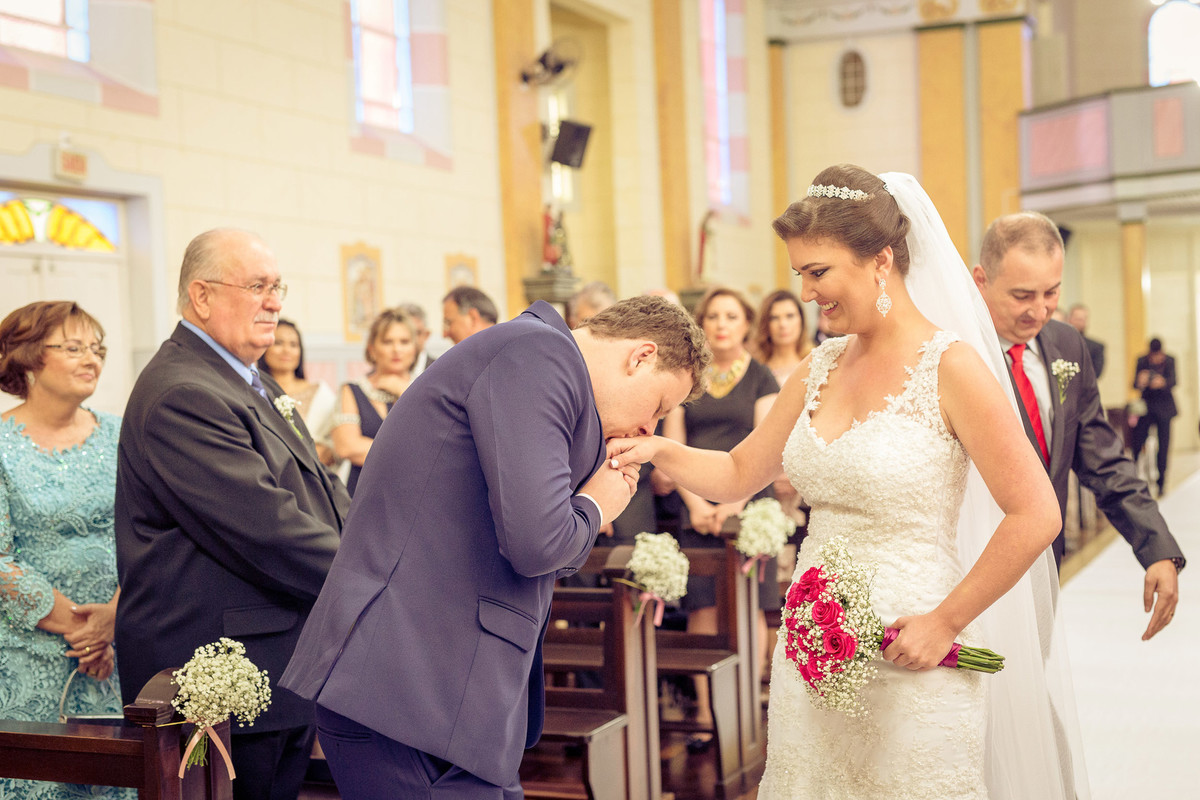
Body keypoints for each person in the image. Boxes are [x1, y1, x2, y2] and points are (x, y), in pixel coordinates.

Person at [611, 167, 1088, 799]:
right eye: (800, 275)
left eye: (818, 272)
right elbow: (736, 474)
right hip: (811, 655)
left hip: (913, 654)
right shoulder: (820, 366)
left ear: (879, 261)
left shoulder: (952, 368)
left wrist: (947, 621)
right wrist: (659, 448)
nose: (806, 293)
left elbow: (1035, 514)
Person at [280, 296, 709, 800]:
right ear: (640, 356)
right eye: (658, 406)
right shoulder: (538, 355)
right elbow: (539, 543)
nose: (648, 429)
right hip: (406, 680)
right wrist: (594, 505)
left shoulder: (542, 361)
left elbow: (552, 551)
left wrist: (582, 514)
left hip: (446, 690)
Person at [115, 229, 349, 800]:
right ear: (201, 297)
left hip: (276, 662)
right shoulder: (184, 392)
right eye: (258, 286)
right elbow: (268, 529)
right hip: (225, 672)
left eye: (277, 287)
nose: (275, 301)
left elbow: (318, 490)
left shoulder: (246, 378)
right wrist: (381, 577)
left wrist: (377, 541)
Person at [973, 212, 1184, 639]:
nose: (1039, 310)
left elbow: (1102, 458)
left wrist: (1157, 547)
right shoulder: (957, 350)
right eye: (1021, 295)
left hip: (1046, 558)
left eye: (1051, 292)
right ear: (981, 280)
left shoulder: (1066, 343)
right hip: (969, 562)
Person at [0, 301, 133, 800]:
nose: (91, 359)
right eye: (73, 348)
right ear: (28, 357)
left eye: (97, 349)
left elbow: (152, 535)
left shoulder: (122, 435)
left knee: (118, 780)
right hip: (26, 652)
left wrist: (114, 618)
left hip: (118, 648)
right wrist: (85, 630)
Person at [660, 286, 779, 749]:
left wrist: (732, 503)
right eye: (713, 316)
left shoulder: (762, 377)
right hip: (698, 508)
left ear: (747, 323)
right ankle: (708, 717)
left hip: (749, 508)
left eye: (731, 315)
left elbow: (768, 444)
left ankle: (744, 711)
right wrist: (697, 506)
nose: (722, 323)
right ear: (702, 324)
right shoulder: (691, 377)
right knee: (702, 609)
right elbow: (673, 444)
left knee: (747, 609)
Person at [332, 307, 418, 496]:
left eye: (404, 342)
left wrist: (404, 392)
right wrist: (411, 454)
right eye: (388, 342)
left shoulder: (427, 390)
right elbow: (347, 447)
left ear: (415, 348)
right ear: (372, 348)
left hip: (415, 493)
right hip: (366, 493)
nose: (397, 349)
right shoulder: (352, 390)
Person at [259, 318, 338, 467]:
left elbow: (334, 442)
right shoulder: (254, 390)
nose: (286, 350)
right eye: (278, 343)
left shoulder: (320, 392)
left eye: (293, 345)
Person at [1131, 337, 1177, 496]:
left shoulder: (1170, 360)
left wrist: (1162, 382)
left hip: (1165, 409)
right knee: (1137, 442)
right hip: (1147, 408)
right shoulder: (1142, 361)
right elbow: (1134, 384)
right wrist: (1141, 381)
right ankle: (1136, 477)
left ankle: (1161, 482)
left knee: (1163, 446)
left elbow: (1175, 381)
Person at [755, 288, 814, 386]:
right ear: (765, 323)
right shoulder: (756, 369)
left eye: (790, 316)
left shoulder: (817, 362)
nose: (783, 324)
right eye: (774, 318)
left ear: (801, 320)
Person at [397, 302, 436, 377]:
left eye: (416, 333)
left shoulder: (441, 370)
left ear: (426, 335)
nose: (411, 339)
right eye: (404, 335)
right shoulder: (376, 377)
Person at [1067, 303, 1105, 378]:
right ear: (1069, 319)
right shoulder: (1059, 342)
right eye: (1077, 319)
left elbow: (1095, 373)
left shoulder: (1095, 347)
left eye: (1082, 319)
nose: (1079, 323)